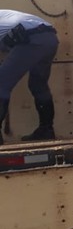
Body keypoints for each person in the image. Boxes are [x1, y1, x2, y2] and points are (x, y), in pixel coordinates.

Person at [0, 10, 59, 145]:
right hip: (50, 37)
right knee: (38, 85)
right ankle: (46, 130)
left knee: (1, 84)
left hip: (29, 38)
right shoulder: (4, 15)